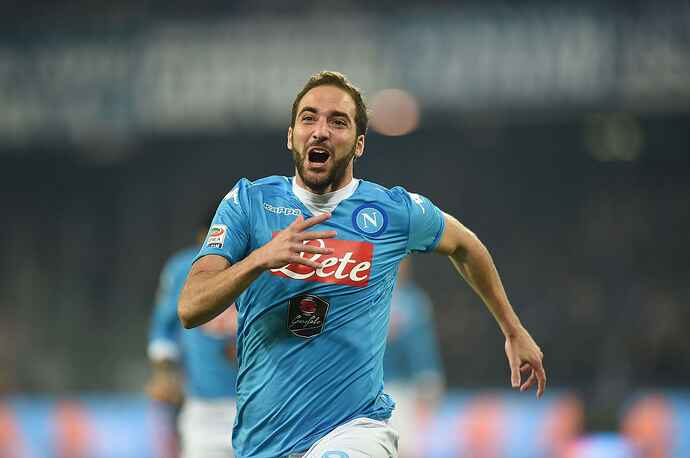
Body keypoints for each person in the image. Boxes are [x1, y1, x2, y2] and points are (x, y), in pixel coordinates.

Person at [178, 71, 546, 458]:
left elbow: (466, 245)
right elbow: (190, 307)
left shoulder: (392, 211)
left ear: (359, 144)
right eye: (308, 118)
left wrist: (513, 329)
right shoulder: (247, 203)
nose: (321, 131)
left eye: (338, 122)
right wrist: (259, 259)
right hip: (264, 439)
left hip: (355, 430)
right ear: (291, 136)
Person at [147, 211, 239, 458]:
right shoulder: (183, 268)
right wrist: (163, 374)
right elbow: (163, 328)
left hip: (256, 404)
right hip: (203, 405)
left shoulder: (255, 265)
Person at [384, 257, 444, 458]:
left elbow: (422, 345)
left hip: (402, 387)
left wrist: (429, 379)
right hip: (367, 388)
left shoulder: (414, 301)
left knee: (405, 448)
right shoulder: (365, 297)